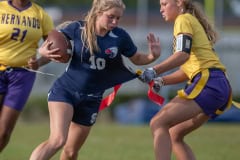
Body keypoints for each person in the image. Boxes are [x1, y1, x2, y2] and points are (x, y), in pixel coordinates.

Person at [29, 0, 161, 160]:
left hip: (92, 99)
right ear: (98, 12)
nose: (115, 22)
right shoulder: (77, 29)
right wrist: (40, 56)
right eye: (111, 17)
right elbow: (53, 49)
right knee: (58, 140)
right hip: (65, 92)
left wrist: (152, 56)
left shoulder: (120, 37)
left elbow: (137, 58)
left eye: (118, 18)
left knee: (71, 152)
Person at [139, 0, 232, 160]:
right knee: (174, 135)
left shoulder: (183, 20)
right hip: (217, 84)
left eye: (164, 4)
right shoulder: (189, 20)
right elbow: (187, 70)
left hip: (209, 83)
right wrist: (162, 80)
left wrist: (153, 71)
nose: (161, 9)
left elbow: (182, 55)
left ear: (179, 3)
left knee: (158, 122)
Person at [0, 0, 54, 152]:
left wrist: (39, 62)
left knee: (4, 132)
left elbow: (53, 49)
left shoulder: (41, 14)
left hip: (22, 75)